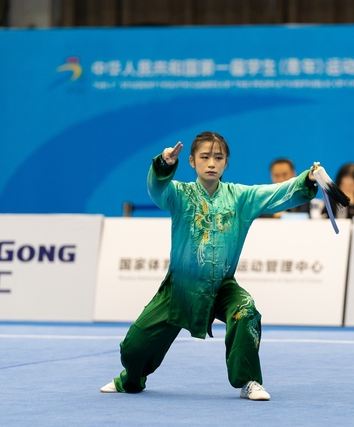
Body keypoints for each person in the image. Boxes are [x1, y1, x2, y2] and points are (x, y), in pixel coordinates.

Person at [101, 132, 318, 400]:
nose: (211, 163)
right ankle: (130, 380)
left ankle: (248, 380)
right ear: (192, 161)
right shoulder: (179, 194)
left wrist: (306, 179)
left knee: (246, 310)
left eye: (218, 157)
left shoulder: (241, 197)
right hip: (179, 289)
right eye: (205, 157)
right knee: (134, 348)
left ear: (226, 163)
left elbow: (278, 193)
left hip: (222, 287)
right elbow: (157, 191)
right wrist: (164, 166)